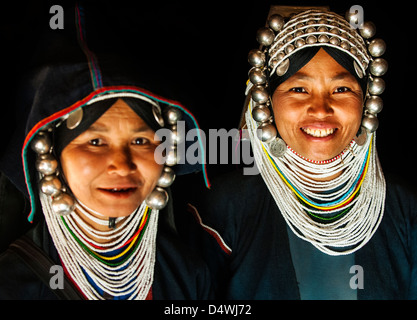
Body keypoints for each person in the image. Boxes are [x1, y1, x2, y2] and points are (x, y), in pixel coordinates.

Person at [181, 8, 417, 299]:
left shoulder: (403, 208)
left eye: (342, 88)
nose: (320, 108)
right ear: (266, 102)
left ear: (367, 102)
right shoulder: (223, 208)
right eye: (299, 89)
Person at [0, 4, 211, 300]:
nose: (122, 165)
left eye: (140, 141)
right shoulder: (11, 285)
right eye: (95, 142)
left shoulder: (186, 273)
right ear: (51, 155)